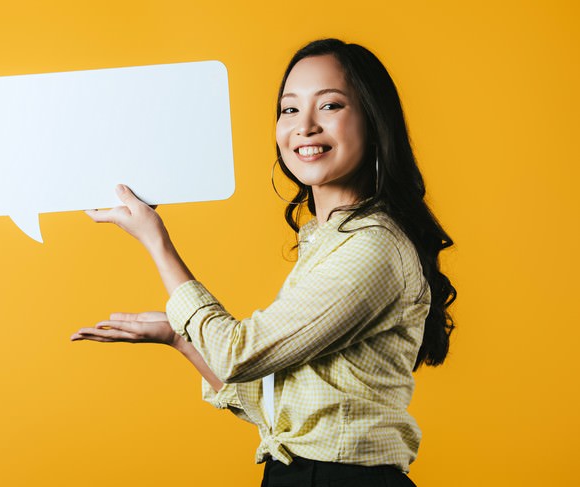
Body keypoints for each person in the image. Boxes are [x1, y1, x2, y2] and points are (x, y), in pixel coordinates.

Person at [70, 38, 456, 487]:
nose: (304, 127)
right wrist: (178, 337)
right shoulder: (330, 241)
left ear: (374, 121)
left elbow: (240, 354)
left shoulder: (373, 248)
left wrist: (157, 242)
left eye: (330, 106)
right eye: (289, 110)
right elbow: (281, 411)